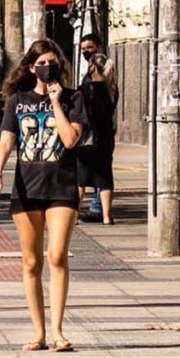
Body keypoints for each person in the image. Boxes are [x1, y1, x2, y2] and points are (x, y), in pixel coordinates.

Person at [0, 39, 87, 353]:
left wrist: (57, 102)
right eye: (42, 62)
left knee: (57, 256)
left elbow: (70, 140)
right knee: (31, 262)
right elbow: (6, 142)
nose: (49, 67)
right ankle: (38, 333)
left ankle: (58, 331)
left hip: (62, 187)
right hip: (26, 188)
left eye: (53, 62)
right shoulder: (18, 101)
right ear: (32, 67)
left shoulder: (74, 98)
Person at [74, 35, 116, 224]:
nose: (85, 52)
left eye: (89, 48)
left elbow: (78, 112)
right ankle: (107, 216)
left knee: (81, 178)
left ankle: (74, 215)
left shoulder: (85, 89)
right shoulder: (111, 88)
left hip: (86, 138)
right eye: (83, 48)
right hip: (105, 137)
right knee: (105, 177)